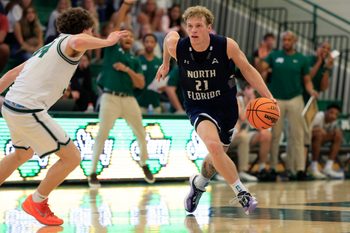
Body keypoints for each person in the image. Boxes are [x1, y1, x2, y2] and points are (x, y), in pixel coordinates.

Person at [0, 7, 128, 226]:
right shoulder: (72, 42)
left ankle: (37, 199)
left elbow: (13, 73)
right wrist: (107, 41)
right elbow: (78, 42)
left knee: (22, 153)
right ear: (85, 30)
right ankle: (37, 201)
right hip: (27, 109)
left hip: (11, 106)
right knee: (72, 157)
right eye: (90, 31)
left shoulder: (49, 47)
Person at [156, 6, 275, 214]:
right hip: (198, 106)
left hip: (226, 107)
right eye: (190, 26)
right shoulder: (180, 47)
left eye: (198, 26)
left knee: (215, 158)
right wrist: (165, 64)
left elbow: (247, 69)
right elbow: (170, 37)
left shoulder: (226, 45)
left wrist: (268, 96)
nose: (193, 30)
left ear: (209, 28)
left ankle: (199, 184)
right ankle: (242, 194)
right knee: (213, 145)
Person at [89, 0, 155, 188]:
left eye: (130, 37)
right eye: (124, 36)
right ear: (119, 38)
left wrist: (127, 70)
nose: (127, 38)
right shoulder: (112, 49)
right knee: (102, 134)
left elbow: (141, 82)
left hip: (128, 99)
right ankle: (93, 172)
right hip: (110, 97)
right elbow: (115, 24)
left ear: (133, 41)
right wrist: (126, 5)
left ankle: (144, 164)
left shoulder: (134, 60)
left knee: (141, 133)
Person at [259, 31, 317, 180]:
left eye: (289, 39)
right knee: (275, 134)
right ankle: (273, 167)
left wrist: (311, 91)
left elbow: (307, 80)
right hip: (276, 99)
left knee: (297, 134)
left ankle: (299, 169)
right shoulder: (274, 55)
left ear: (294, 41)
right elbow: (260, 68)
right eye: (284, 39)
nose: (286, 42)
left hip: (295, 98)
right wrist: (262, 56)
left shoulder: (301, 59)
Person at [229, 83, 272, 182]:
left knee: (266, 134)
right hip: (234, 135)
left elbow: (258, 122)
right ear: (244, 91)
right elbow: (243, 117)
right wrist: (252, 101)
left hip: (247, 134)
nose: (252, 90)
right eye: (249, 88)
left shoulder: (256, 103)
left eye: (253, 88)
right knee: (243, 136)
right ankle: (243, 171)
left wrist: (263, 128)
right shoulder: (237, 100)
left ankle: (262, 167)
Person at [310, 103, 344, 179]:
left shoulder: (334, 121)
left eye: (336, 114)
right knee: (319, 134)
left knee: (338, 135)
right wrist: (317, 129)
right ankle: (313, 167)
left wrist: (335, 131)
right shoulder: (318, 116)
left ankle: (328, 167)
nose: (333, 116)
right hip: (309, 140)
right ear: (326, 111)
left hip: (321, 140)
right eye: (331, 112)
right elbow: (306, 130)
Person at [136, 33, 162, 114]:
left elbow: (163, 82)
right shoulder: (137, 60)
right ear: (143, 43)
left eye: (152, 42)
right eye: (147, 42)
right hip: (139, 102)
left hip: (155, 103)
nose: (149, 44)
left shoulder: (159, 62)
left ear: (155, 44)